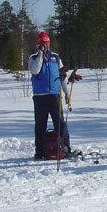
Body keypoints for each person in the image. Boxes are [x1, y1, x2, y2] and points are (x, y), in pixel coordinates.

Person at [28, 31, 78, 160]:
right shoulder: (33, 58)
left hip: (55, 96)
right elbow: (35, 70)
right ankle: (39, 152)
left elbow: (62, 77)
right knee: (40, 125)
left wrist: (66, 93)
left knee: (60, 124)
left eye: (47, 43)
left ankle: (65, 149)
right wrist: (40, 54)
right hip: (40, 97)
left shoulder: (56, 58)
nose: (45, 45)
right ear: (38, 44)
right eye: (42, 43)